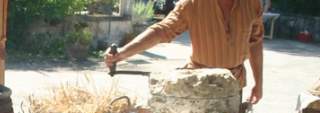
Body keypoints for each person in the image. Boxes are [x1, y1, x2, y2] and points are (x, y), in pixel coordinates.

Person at [105, 0, 265, 104]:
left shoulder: (251, 4)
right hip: (199, 87)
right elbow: (162, 30)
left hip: (234, 86)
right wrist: (122, 53)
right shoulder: (193, 4)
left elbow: (255, 42)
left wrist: (259, 83)